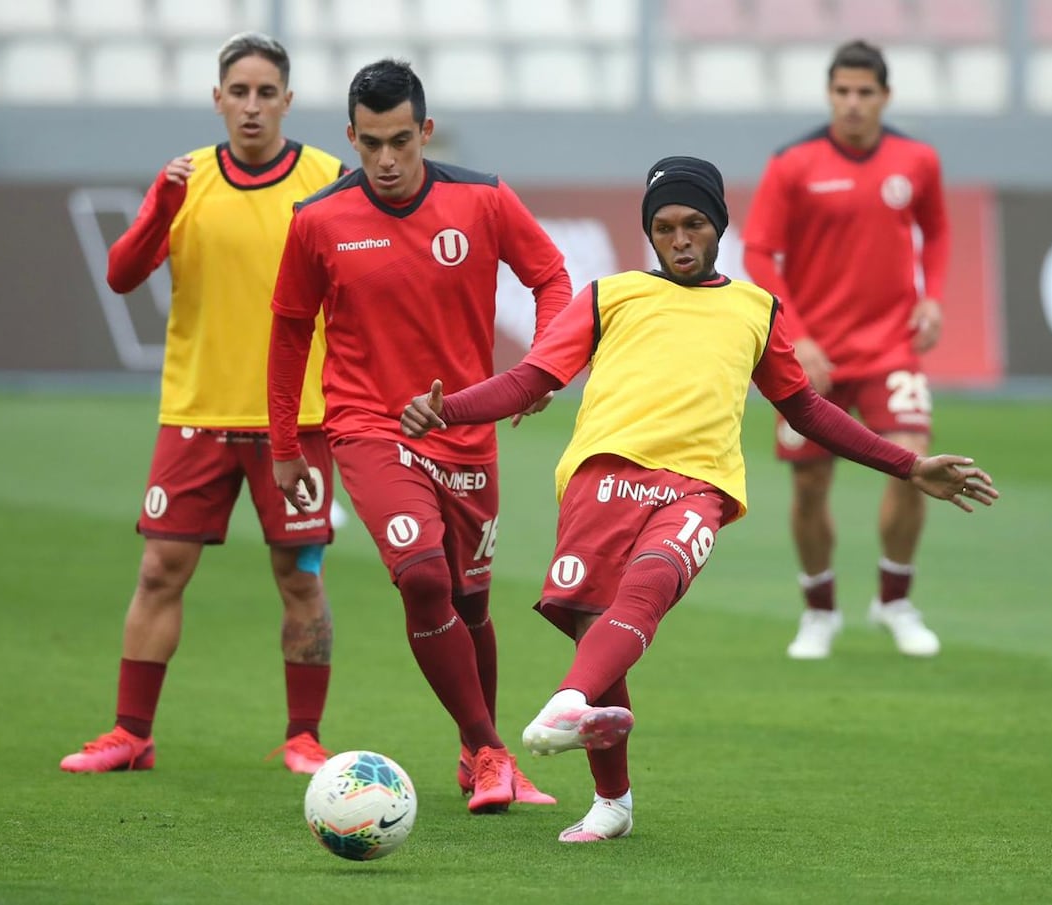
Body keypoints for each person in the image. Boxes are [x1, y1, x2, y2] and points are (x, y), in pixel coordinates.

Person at [400, 155, 996, 842]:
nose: (680, 239)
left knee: (649, 583)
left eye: (694, 225)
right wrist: (450, 410)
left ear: (719, 227)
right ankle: (613, 801)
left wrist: (910, 463)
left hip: (696, 486)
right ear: (649, 234)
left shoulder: (752, 308)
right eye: (665, 227)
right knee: (596, 628)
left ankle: (565, 702)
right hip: (600, 480)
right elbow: (534, 377)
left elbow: (805, 409)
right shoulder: (609, 296)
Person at [267, 58, 571, 814]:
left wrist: (542, 369)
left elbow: (553, 278)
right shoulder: (318, 220)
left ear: (426, 130)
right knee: (426, 577)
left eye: (401, 140)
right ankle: (494, 747)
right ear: (350, 137)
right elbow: (288, 334)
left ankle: (479, 758)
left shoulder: (485, 199)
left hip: (465, 432)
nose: (387, 160)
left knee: (470, 602)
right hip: (368, 426)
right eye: (371, 144)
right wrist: (282, 447)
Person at [60, 33, 346, 776]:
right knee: (160, 568)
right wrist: (158, 205)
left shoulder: (328, 180)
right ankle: (131, 733)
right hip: (196, 413)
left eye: (265, 92)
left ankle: (303, 736)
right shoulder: (186, 182)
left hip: (298, 419)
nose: (251, 106)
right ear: (217, 99)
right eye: (238, 92)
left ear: (288, 99)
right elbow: (123, 274)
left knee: (299, 575)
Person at [741, 40, 953, 660]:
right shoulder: (794, 164)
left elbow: (937, 231)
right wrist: (796, 335)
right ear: (829, 95)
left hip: (891, 347)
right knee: (810, 487)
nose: (853, 104)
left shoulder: (917, 161)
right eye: (842, 92)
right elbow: (758, 253)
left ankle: (894, 599)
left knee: (915, 465)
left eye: (865, 92)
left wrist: (932, 297)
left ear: (885, 97)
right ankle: (819, 611)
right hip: (814, 357)